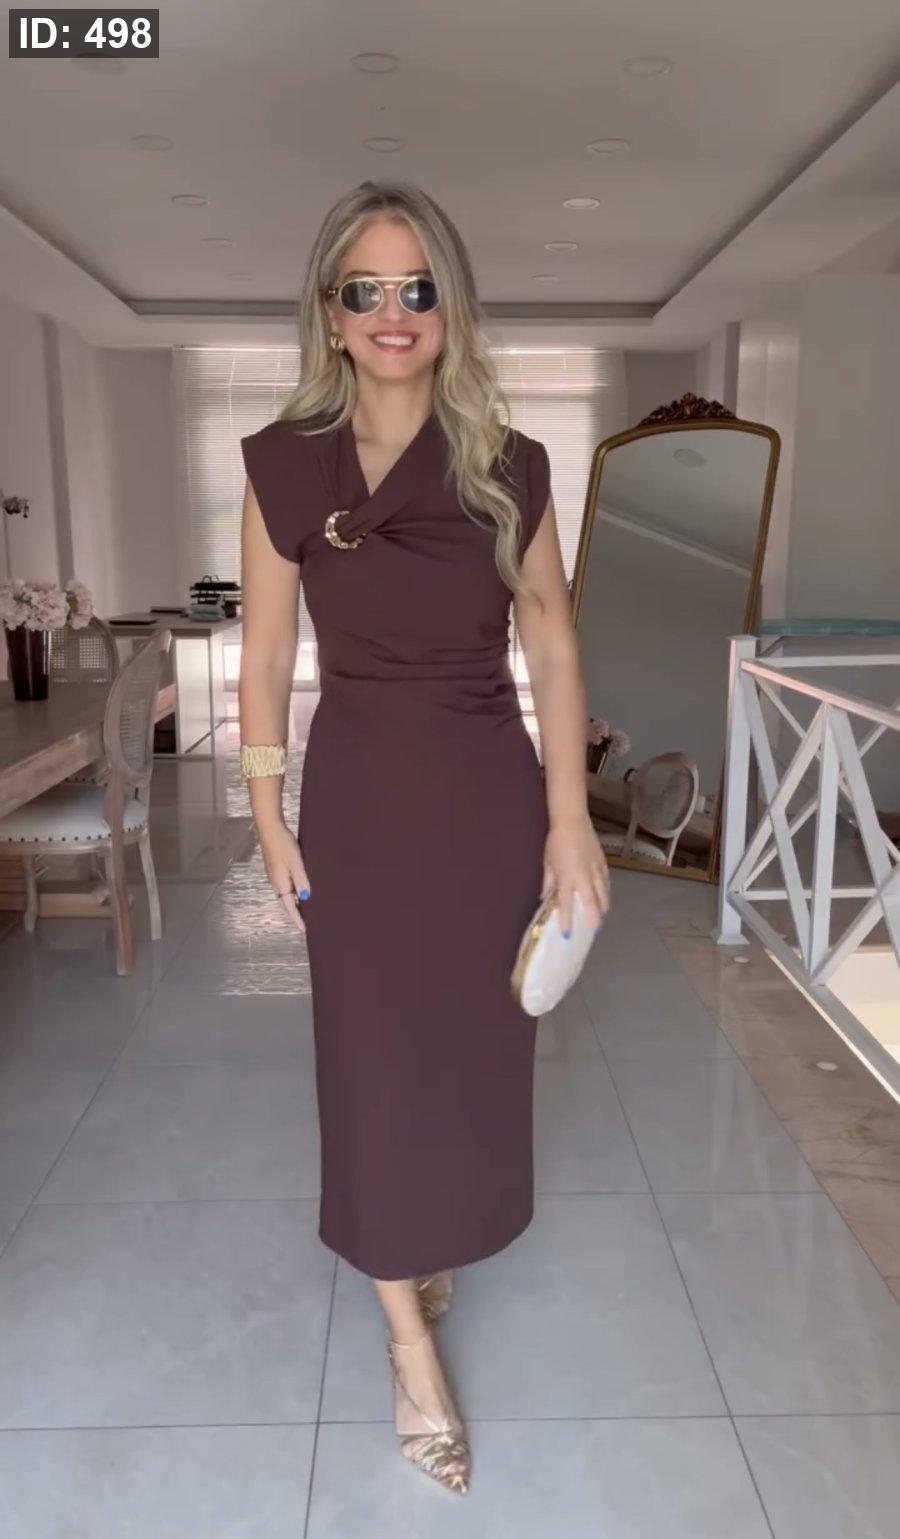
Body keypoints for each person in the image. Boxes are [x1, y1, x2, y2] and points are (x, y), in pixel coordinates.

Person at [238, 179, 610, 1495]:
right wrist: (264, 811)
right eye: (367, 290)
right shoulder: (284, 463)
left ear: (450, 305)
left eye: (419, 288)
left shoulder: (511, 465)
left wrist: (570, 821)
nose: (393, 312)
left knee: (466, 1054)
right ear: (329, 311)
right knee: (368, 1063)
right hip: (357, 804)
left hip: (487, 802)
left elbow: (552, 646)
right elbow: (266, 654)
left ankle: (431, 1228)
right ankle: (407, 1341)